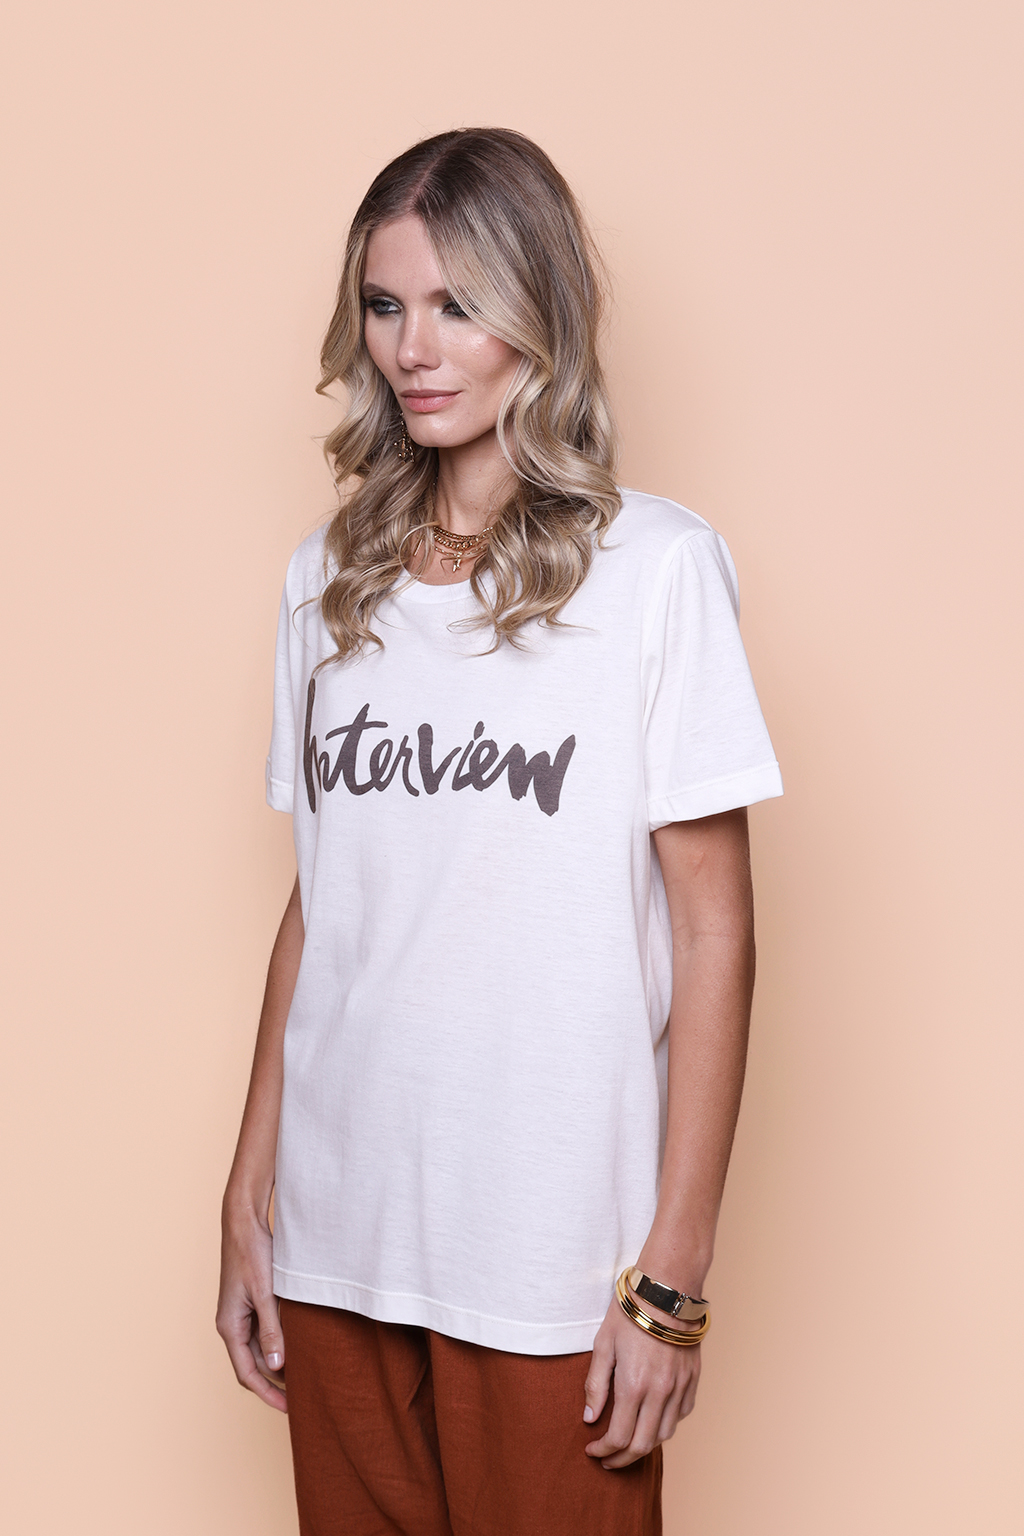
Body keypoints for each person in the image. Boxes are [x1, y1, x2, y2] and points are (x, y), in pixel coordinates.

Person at [217, 127, 782, 1536]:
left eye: (457, 305)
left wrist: (672, 1279)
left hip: (548, 1251)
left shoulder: (656, 572)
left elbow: (715, 929)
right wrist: (247, 1193)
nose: (413, 349)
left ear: (538, 314)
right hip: (337, 1233)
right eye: (385, 304)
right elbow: (322, 902)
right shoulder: (325, 584)